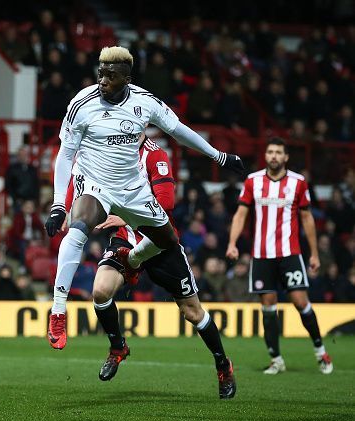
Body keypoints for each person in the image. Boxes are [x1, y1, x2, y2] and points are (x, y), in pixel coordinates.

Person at [44, 46, 244, 350]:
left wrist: (218, 156)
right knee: (79, 226)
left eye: (110, 75)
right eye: (100, 72)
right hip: (96, 184)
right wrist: (60, 204)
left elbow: (179, 131)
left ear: (126, 77)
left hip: (133, 191)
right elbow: (66, 155)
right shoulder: (81, 104)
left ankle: (133, 260)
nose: (103, 80)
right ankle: (58, 310)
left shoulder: (144, 102)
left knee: (168, 240)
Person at [68, 134, 236, 399]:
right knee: (100, 291)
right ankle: (117, 348)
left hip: (158, 242)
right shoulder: (110, 148)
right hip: (126, 237)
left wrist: (120, 214)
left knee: (193, 313)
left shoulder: (154, 155)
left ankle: (223, 365)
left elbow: (165, 206)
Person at [226, 137, 333, 375]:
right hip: (262, 255)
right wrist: (232, 243)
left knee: (300, 302)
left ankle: (320, 351)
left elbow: (307, 218)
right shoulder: (253, 181)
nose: (274, 156)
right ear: (266, 155)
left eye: (278, 152)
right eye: (270, 152)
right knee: (268, 306)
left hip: (289, 254)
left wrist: (314, 253)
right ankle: (276, 359)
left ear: (286, 157)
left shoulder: (298, 182)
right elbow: (241, 214)